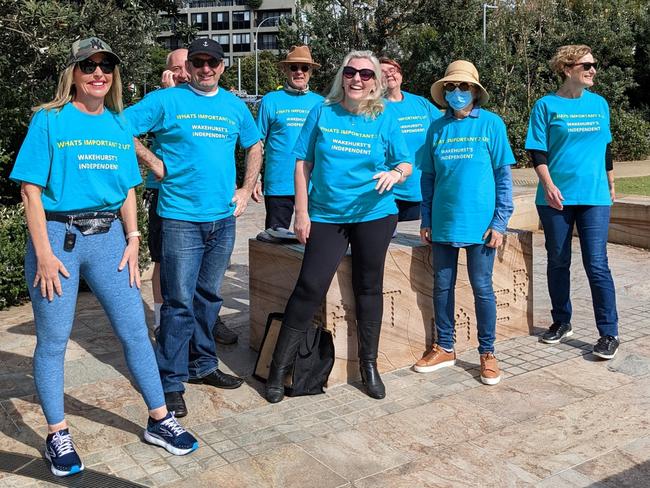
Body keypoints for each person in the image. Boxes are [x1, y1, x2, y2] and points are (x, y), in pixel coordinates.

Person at [9, 37, 198, 477]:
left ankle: (158, 420)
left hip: (110, 239)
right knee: (53, 341)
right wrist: (43, 254)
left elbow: (129, 188)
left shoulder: (117, 125)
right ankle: (57, 434)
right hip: (58, 238)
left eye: (106, 67)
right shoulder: (50, 121)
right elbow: (30, 191)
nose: (98, 73)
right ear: (73, 74)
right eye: (88, 66)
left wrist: (133, 239)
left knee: (134, 332)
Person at [264, 50, 412, 404]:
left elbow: (405, 162)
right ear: (341, 77)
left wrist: (396, 173)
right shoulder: (323, 112)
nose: (357, 79)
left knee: (368, 286)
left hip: (374, 213)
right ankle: (277, 370)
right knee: (310, 286)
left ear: (376, 81)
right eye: (350, 72)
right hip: (327, 215)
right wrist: (302, 212)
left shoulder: (384, 117)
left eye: (365, 74)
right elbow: (303, 163)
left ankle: (369, 367)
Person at [125, 38, 263, 417]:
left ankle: (202, 365)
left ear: (222, 66)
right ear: (188, 67)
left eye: (212, 63)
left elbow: (254, 144)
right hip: (180, 217)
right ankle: (170, 381)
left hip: (221, 218)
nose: (205, 69)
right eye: (198, 62)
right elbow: (119, 126)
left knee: (208, 297)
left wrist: (246, 188)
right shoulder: (166, 101)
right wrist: (154, 162)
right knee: (178, 302)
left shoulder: (234, 105)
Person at [414, 60, 515, 386]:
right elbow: (428, 178)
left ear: (475, 91)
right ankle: (445, 346)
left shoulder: (491, 125)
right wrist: (426, 218)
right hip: (444, 222)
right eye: (451, 87)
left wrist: (500, 223)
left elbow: (503, 177)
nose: (457, 92)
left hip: (481, 225)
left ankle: (487, 353)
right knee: (442, 286)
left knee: (482, 288)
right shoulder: (436, 129)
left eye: (463, 87)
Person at [525, 45, 619, 359]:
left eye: (594, 65)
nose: (593, 70)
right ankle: (561, 321)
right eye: (586, 65)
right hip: (556, 197)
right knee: (558, 261)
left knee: (597, 264)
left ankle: (608, 333)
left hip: (594, 196)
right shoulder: (545, 105)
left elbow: (605, 147)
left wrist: (610, 180)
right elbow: (537, 151)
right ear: (567, 69)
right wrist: (548, 185)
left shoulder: (600, 104)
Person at [146, 47, 238, 346]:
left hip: (212, 206)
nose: (187, 73)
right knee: (171, 273)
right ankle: (165, 328)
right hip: (169, 197)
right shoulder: (166, 99)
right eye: (183, 67)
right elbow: (127, 128)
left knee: (205, 284)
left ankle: (203, 341)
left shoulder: (217, 100)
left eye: (209, 62)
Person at [255, 45, 324, 236]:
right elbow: (257, 143)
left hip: (313, 186)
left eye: (304, 68)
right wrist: (255, 179)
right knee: (276, 245)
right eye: (294, 67)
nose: (299, 72)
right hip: (279, 184)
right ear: (285, 70)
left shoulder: (322, 103)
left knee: (314, 243)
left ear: (311, 71)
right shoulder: (270, 100)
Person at [379, 57, 442, 224]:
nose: (388, 75)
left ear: (401, 75)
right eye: (382, 72)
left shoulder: (420, 103)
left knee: (414, 245)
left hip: (418, 189)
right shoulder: (373, 107)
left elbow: (444, 128)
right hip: (386, 191)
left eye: (392, 70)